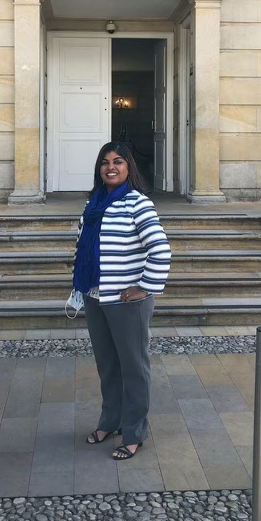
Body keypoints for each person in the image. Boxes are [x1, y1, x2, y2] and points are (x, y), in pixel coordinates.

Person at [72, 141, 171, 460]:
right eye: (104, 162)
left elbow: (160, 249)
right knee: (108, 366)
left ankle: (133, 432)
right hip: (95, 295)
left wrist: (145, 287)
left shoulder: (136, 203)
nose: (110, 167)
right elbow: (82, 244)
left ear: (129, 168)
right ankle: (110, 421)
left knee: (133, 367)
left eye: (117, 162)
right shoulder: (92, 203)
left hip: (127, 300)